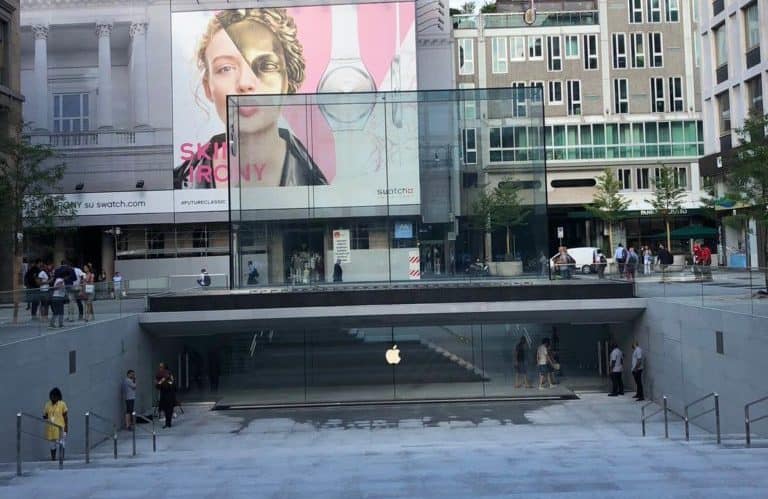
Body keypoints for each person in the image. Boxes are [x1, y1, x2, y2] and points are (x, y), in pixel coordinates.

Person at [174, 8, 328, 190]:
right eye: (226, 68)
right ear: (208, 87)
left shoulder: (321, 185)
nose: (245, 83)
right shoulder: (178, 184)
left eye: (266, 65)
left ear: (289, 80)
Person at [43, 387, 68, 461]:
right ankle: (53, 458)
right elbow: (45, 415)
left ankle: (61, 459)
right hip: (51, 428)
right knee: (52, 445)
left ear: (58, 396)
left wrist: (66, 427)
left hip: (61, 427)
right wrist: (46, 416)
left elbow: (65, 416)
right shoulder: (47, 404)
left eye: (54, 396)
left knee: (61, 443)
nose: (52, 397)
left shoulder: (62, 404)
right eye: (51, 396)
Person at [155, 362, 176, 428]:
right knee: (164, 408)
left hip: (169, 394)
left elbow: (171, 382)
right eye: (160, 367)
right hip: (163, 393)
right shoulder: (159, 374)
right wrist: (159, 382)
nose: (160, 368)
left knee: (169, 409)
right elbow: (158, 384)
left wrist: (164, 381)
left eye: (161, 367)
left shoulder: (169, 373)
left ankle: (168, 423)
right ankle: (167, 422)